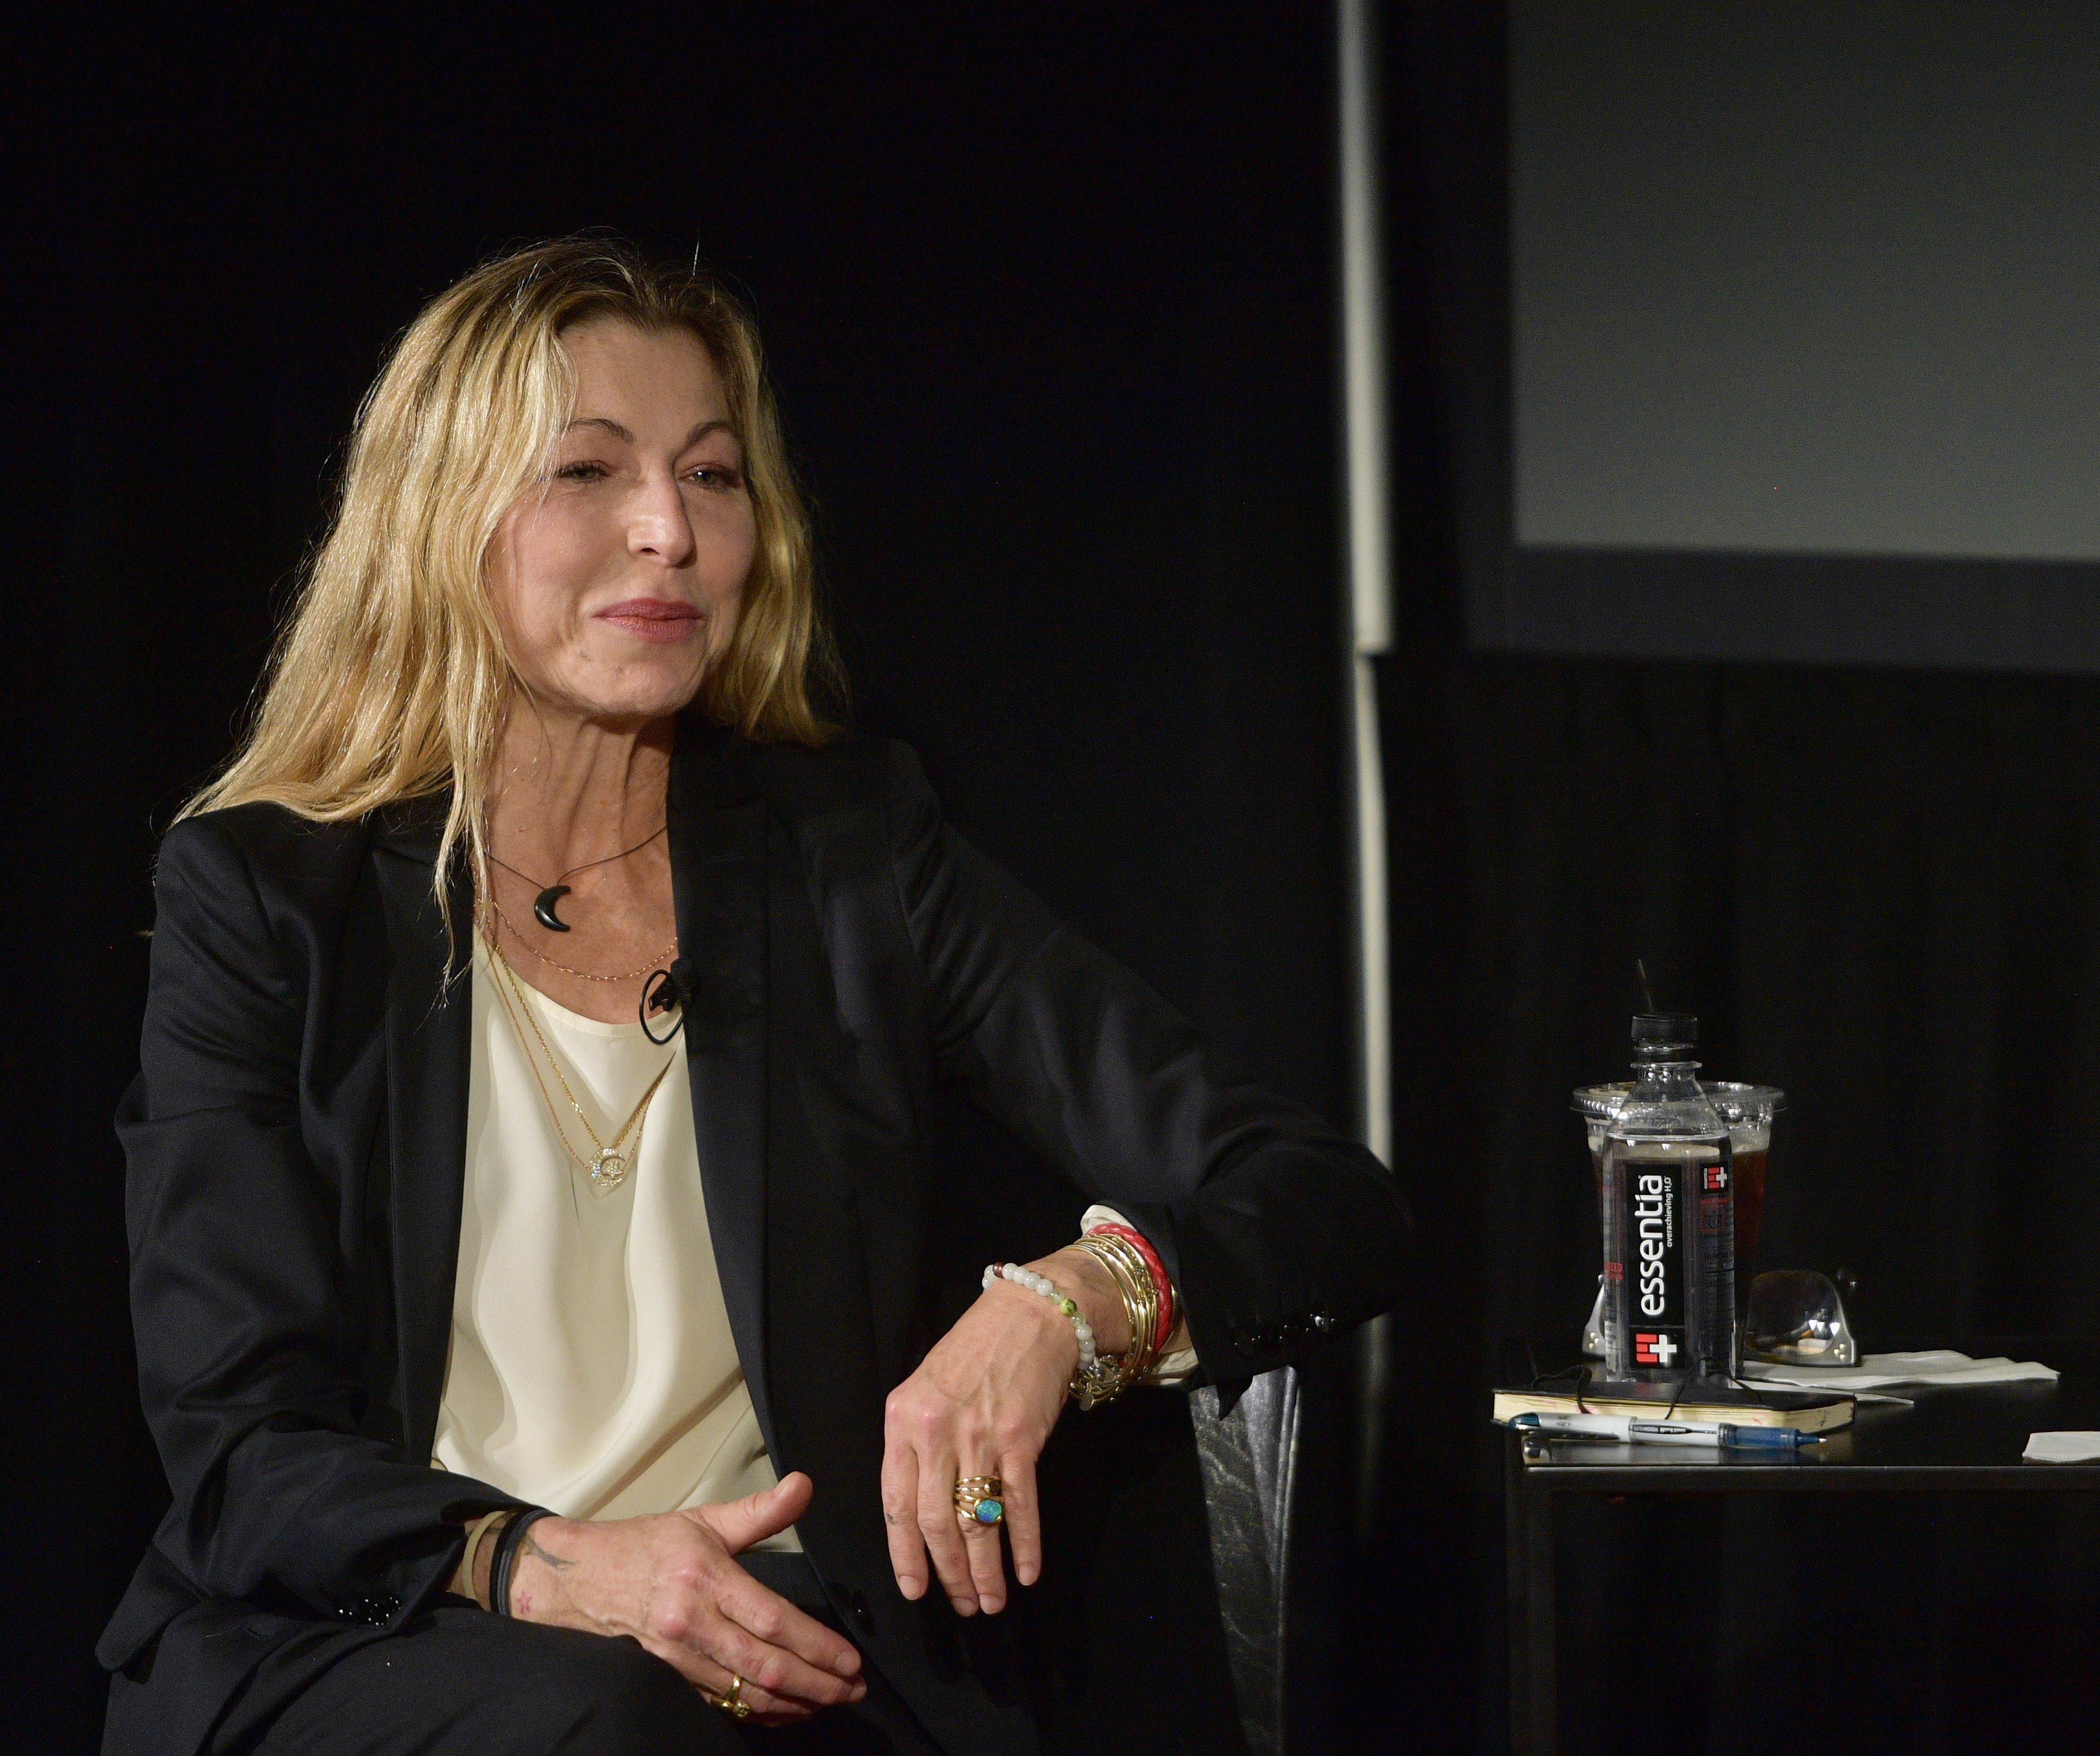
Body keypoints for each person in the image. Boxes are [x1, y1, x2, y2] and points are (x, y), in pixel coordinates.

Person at [98, 237, 1408, 1755]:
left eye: (712, 478)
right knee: (618, 1714)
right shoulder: (269, 898)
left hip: (780, 1644)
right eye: (589, 471)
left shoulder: (852, 857)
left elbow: (1323, 1197)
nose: (668, 529)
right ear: (440, 518)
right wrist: (553, 1561)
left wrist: (1073, 1302)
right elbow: (240, 1441)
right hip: (382, 1632)